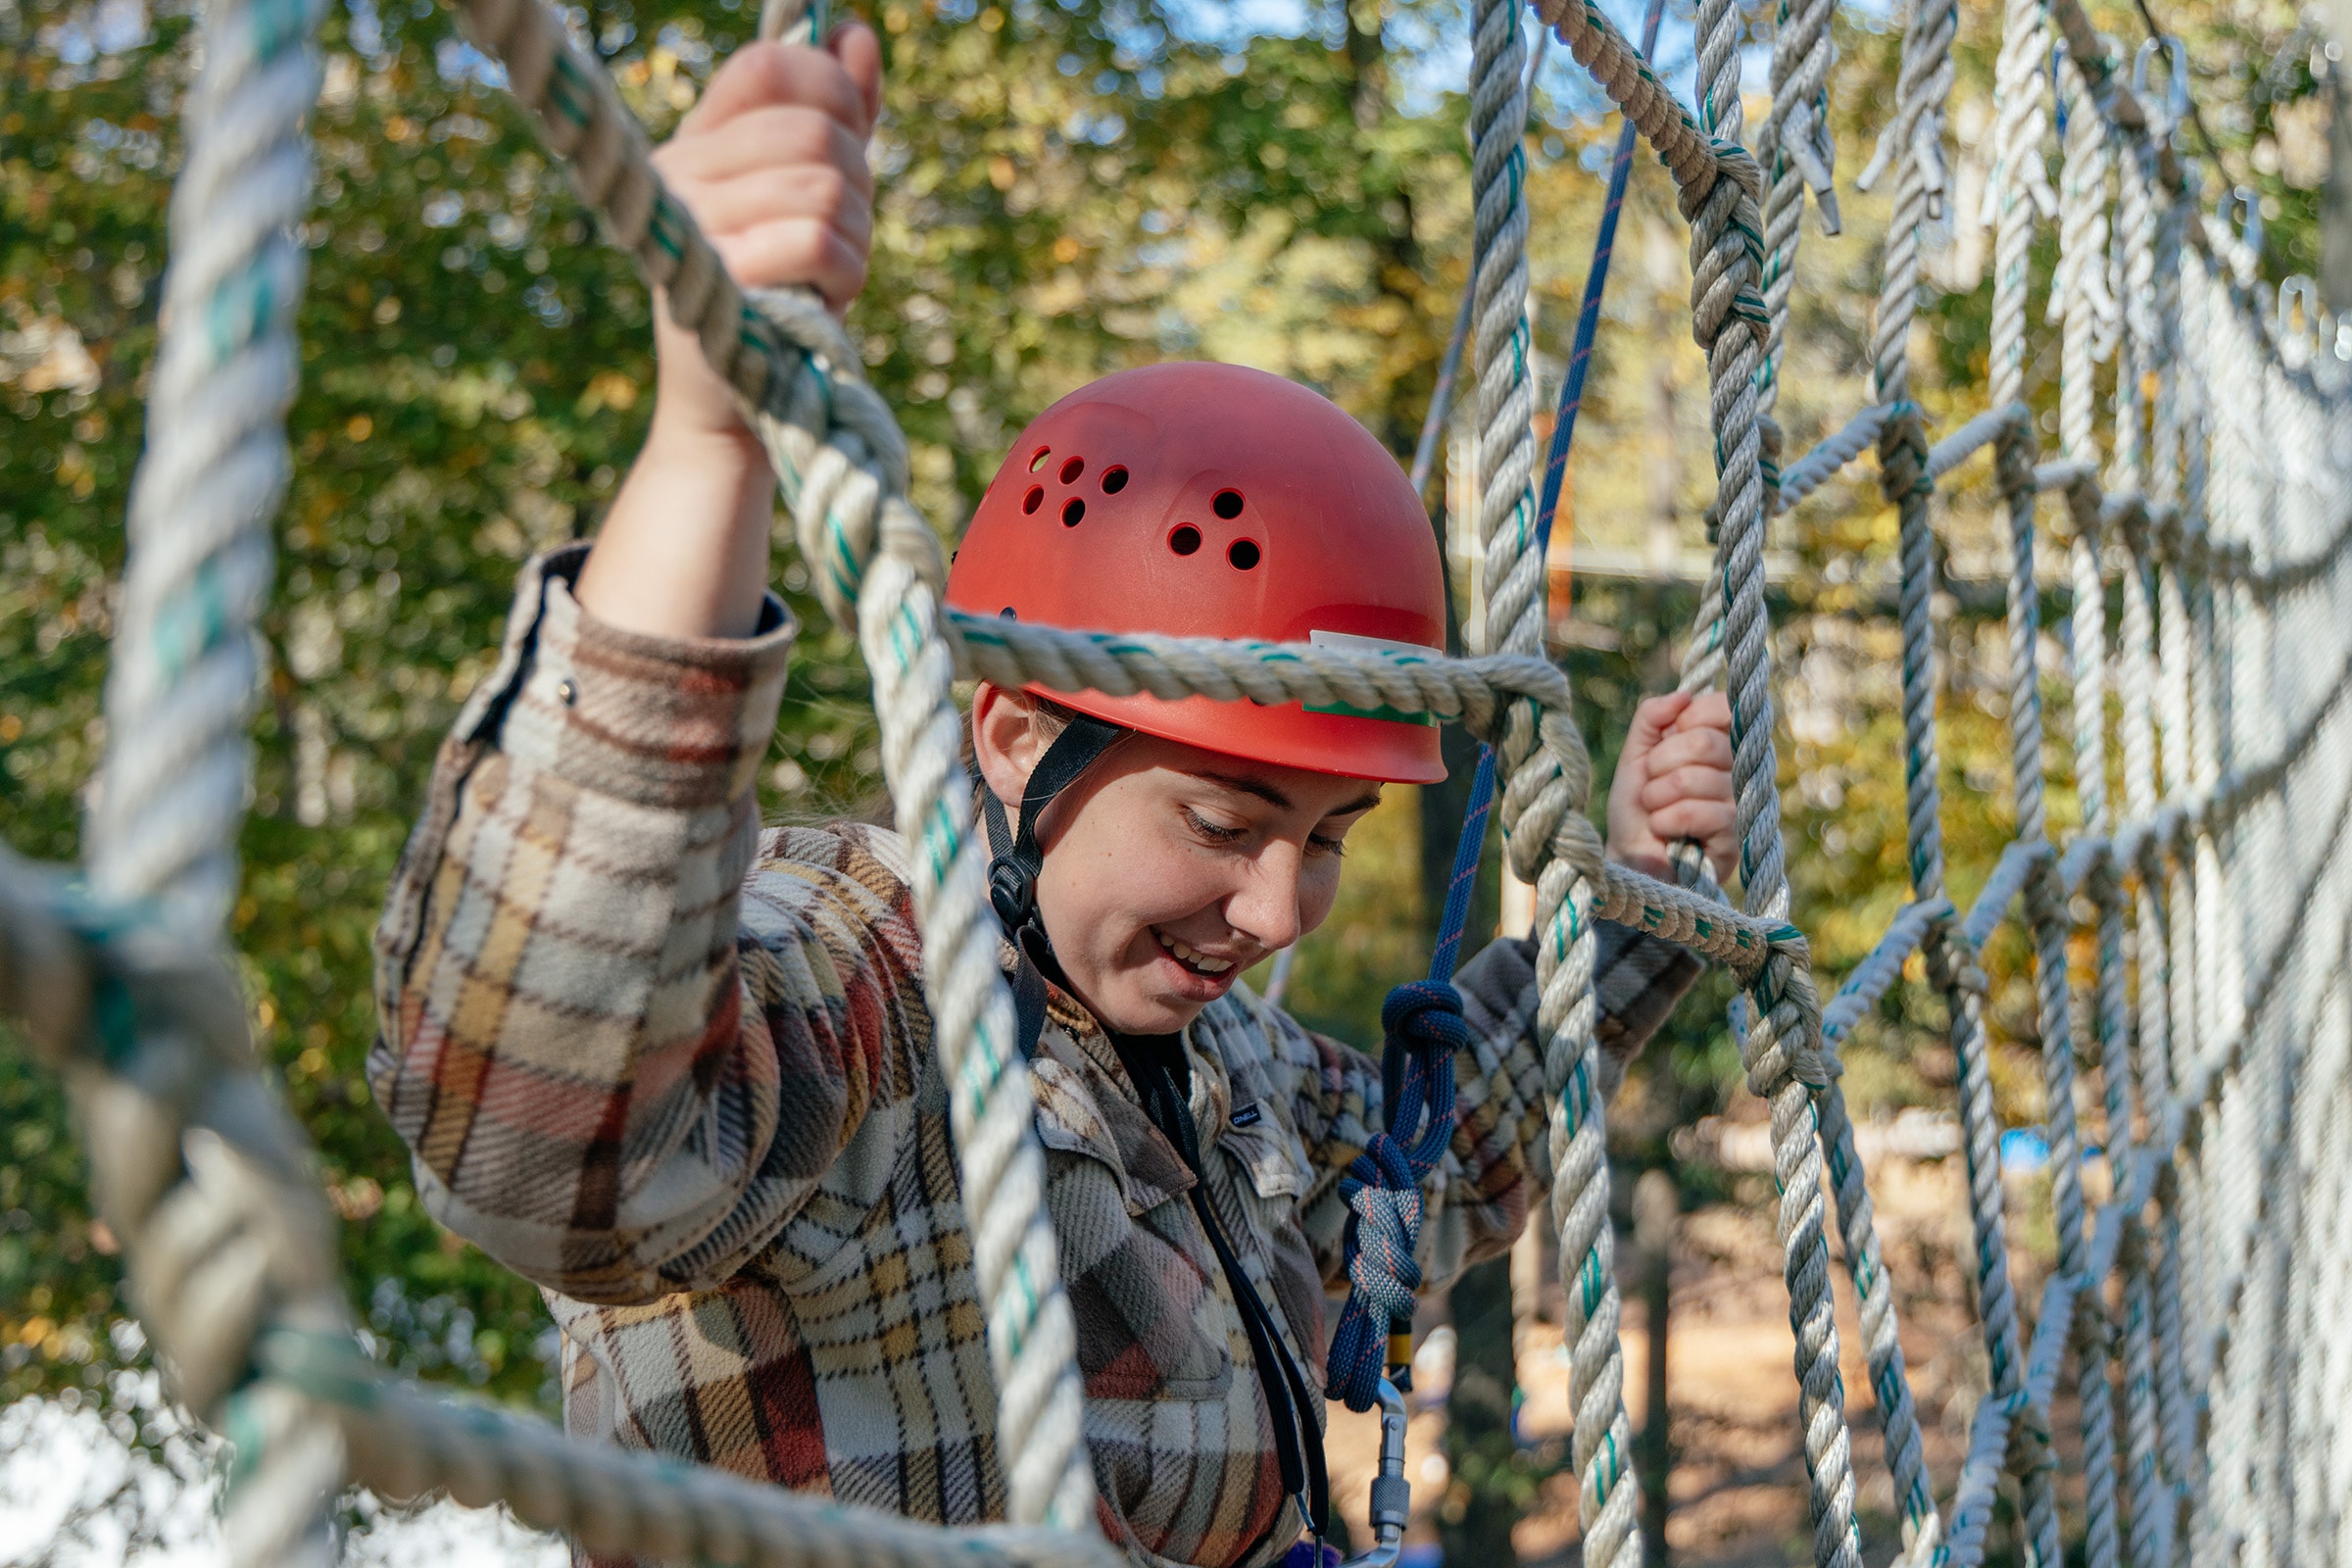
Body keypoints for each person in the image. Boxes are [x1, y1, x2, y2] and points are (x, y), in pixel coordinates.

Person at [369, 22, 1739, 1568]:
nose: (1278, 909)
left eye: (1327, 837)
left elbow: (1425, 1173)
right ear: (1016, 742)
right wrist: (706, 443)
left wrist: (1643, 898)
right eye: (1223, 823)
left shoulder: (1215, 1056)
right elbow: (539, 1136)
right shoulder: (872, 995)